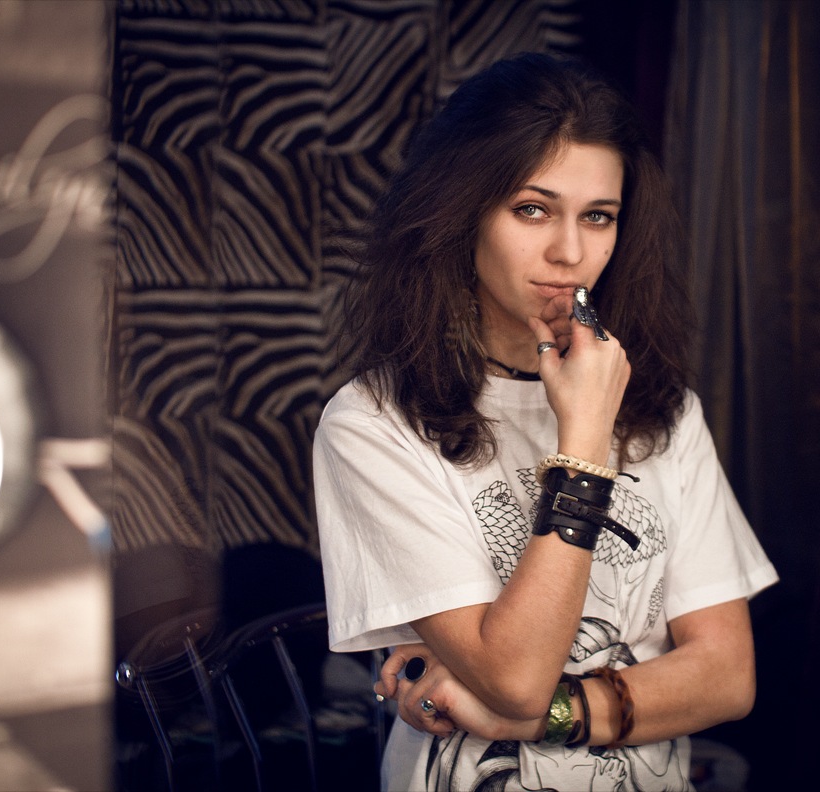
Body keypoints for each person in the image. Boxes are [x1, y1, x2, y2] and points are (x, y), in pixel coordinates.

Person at [313, 52, 778, 792]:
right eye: (532, 209)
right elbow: (517, 677)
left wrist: (536, 718)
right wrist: (585, 440)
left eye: (598, 217)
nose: (570, 253)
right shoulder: (372, 425)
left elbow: (727, 678)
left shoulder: (665, 411)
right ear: (463, 213)